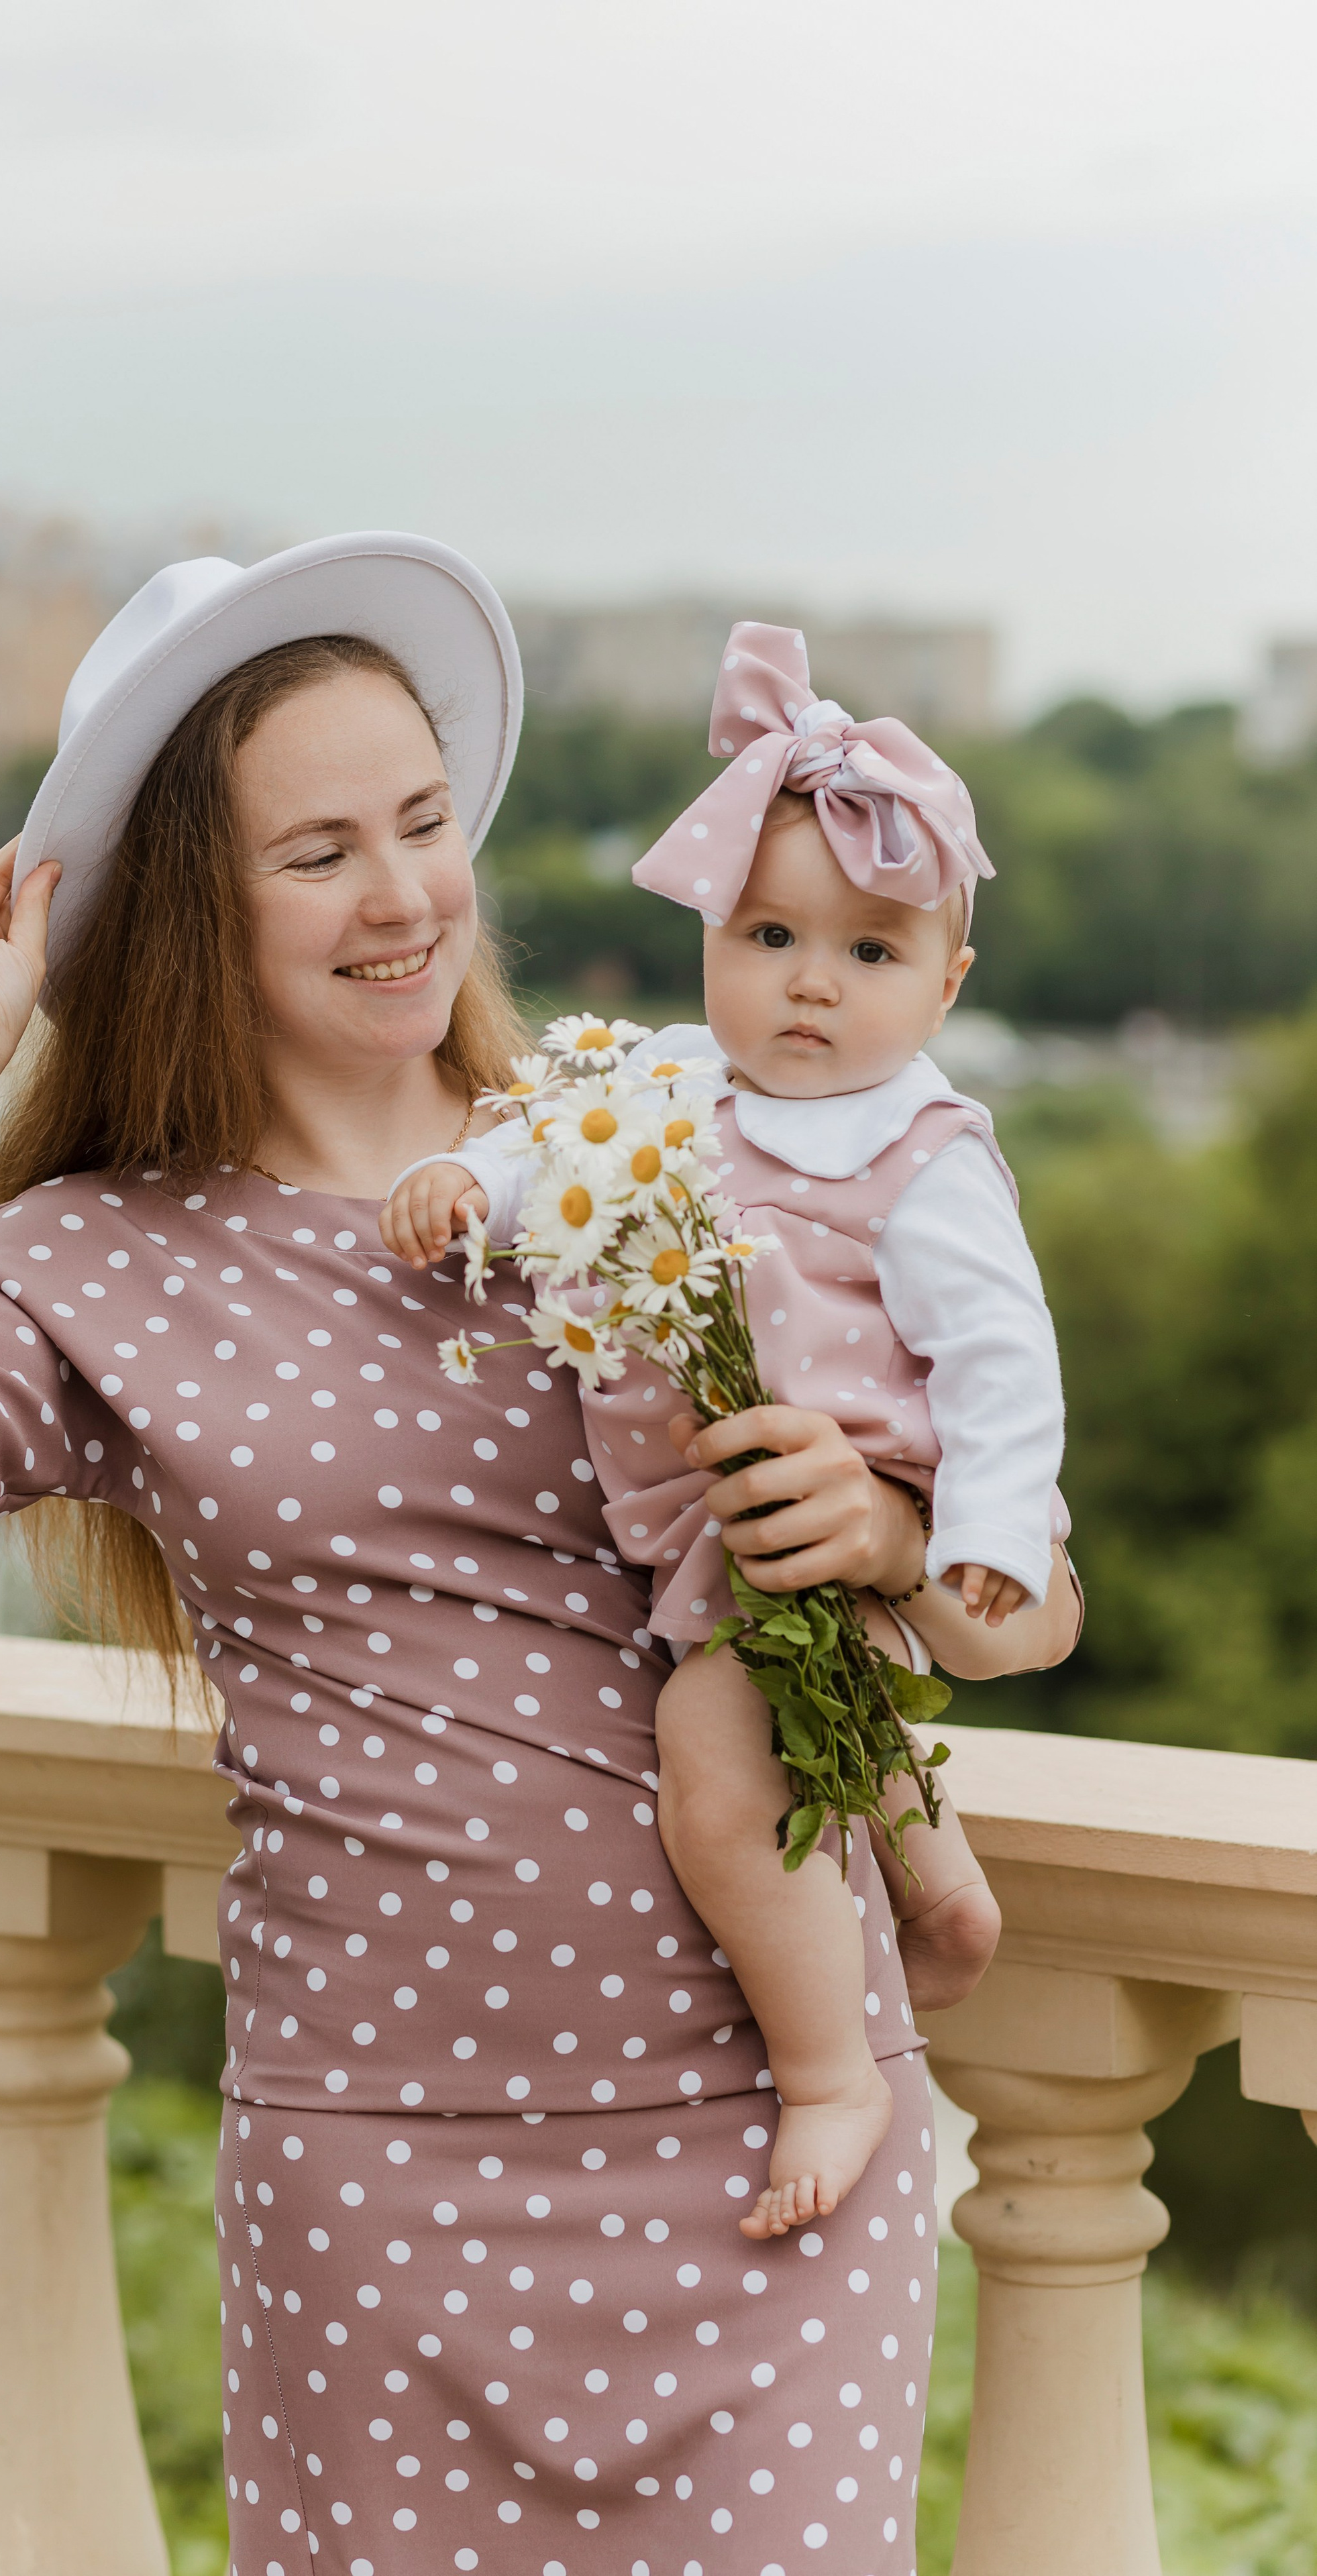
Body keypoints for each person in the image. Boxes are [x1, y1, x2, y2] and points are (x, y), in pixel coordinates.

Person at [0, 551, 1033, 2575]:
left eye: (423, 823)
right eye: (318, 851)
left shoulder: (641, 1129)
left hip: (771, 2129)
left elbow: (1009, 1591)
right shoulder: (105, 1258)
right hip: (381, 2162)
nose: (406, 894)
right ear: (190, 903)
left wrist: (893, 1535)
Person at [381, 621, 1082, 2243]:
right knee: (819, 1710)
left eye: (868, 953)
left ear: (945, 981)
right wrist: (466, 1187)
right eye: (769, 933)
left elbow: (998, 1357)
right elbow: (563, 1143)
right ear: (710, 931)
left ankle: (827, 2067)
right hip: (716, 1518)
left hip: (843, 1496)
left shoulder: (920, 1154)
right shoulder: (677, 1081)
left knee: (715, 1750)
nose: (809, 985)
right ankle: (939, 1889)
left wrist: (971, 1535)